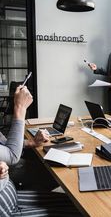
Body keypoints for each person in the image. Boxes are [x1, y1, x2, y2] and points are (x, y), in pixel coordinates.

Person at [0, 85, 80, 216]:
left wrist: (30, 142)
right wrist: (19, 108)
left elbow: (4, 145)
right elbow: (11, 155)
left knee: (74, 203)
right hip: (7, 210)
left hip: (10, 193)